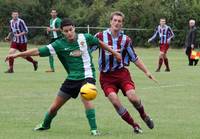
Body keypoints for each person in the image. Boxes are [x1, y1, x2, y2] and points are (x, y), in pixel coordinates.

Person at [5, 18, 121, 136]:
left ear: (74, 28)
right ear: (62, 31)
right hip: (71, 79)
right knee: (54, 108)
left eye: (71, 30)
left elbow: (99, 43)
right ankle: (45, 124)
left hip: (87, 75)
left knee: (86, 96)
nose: (69, 33)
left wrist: (115, 53)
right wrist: (18, 54)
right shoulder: (59, 44)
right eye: (66, 31)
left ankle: (94, 130)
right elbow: (38, 51)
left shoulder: (85, 37)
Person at [95, 11, 157, 134]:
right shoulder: (100, 36)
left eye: (119, 21)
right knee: (115, 101)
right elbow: (87, 48)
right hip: (106, 77)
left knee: (132, 97)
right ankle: (135, 125)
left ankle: (144, 115)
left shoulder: (126, 40)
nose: (117, 23)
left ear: (122, 24)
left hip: (121, 74)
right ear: (110, 21)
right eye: (115, 20)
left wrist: (147, 72)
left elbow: (134, 58)